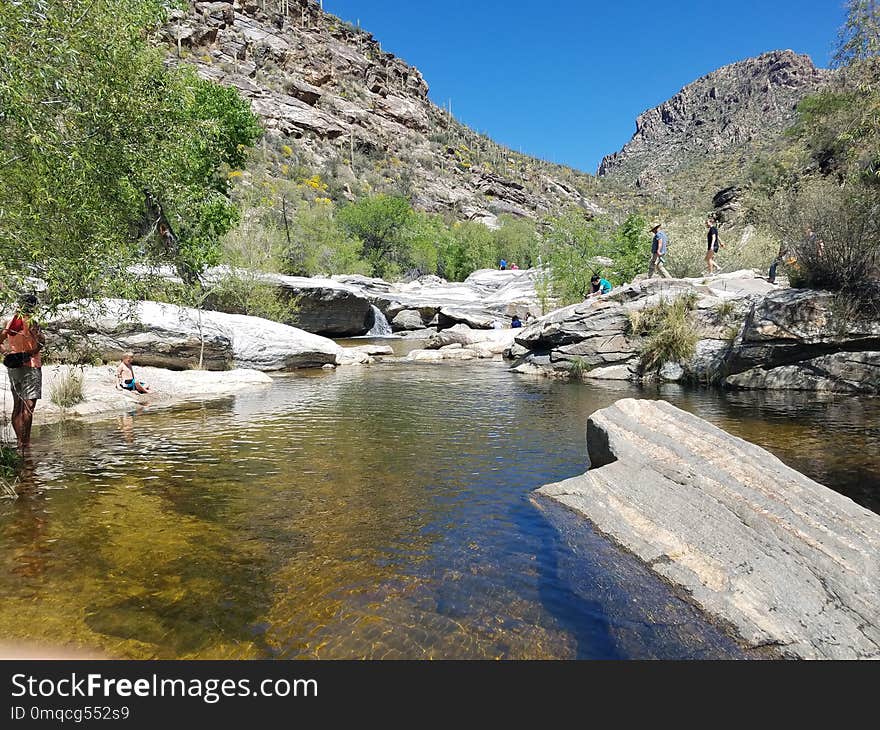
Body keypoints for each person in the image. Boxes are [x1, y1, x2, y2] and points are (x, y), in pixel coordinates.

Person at [0, 293, 45, 450]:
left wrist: (7, 354)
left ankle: (21, 443)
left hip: (14, 367)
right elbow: (41, 343)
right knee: (28, 407)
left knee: (17, 406)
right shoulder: (33, 322)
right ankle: (25, 443)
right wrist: (28, 354)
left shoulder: (10, 321)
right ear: (33, 306)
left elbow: (0, 340)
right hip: (31, 366)